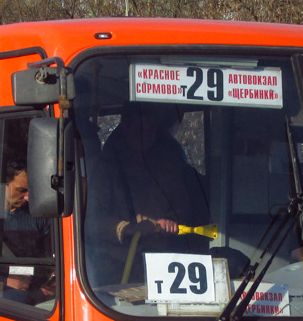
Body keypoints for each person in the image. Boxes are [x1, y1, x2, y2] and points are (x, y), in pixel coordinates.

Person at [86, 104, 210, 285]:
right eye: (139, 129)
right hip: (115, 266)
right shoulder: (105, 167)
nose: (145, 136)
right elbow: (92, 220)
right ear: (125, 128)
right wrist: (127, 228)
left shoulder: (169, 165)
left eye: (151, 129)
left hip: (162, 263)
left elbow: (183, 208)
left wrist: (170, 221)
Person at [0, 160, 53, 303]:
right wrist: (3, 281)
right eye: (21, 190)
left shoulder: (39, 218)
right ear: (0, 182)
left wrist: (52, 279)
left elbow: (51, 256)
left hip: (37, 291)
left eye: (30, 192)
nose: (27, 198)